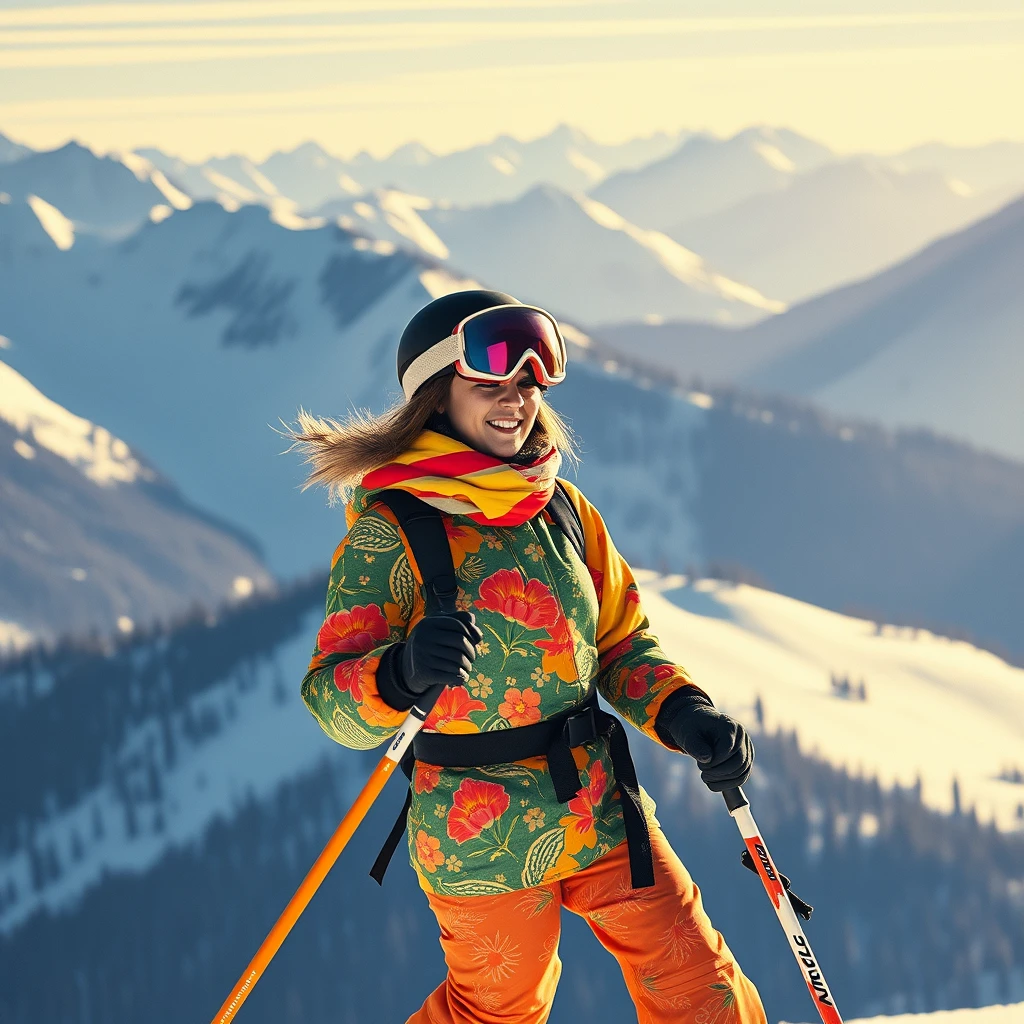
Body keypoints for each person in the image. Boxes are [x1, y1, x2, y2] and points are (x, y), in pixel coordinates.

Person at [291, 290, 766, 1023]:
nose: (515, 402)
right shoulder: (390, 533)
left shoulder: (563, 509)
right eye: (490, 384)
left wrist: (683, 713)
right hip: (478, 835)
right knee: (494, 1016)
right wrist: (400, 672)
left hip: (599, 807)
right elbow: (333, 703)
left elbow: (620, 643)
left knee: (700, 988)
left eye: (526, 385)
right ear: (434, 395)